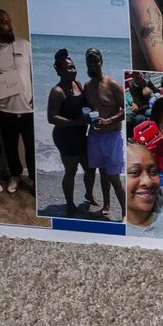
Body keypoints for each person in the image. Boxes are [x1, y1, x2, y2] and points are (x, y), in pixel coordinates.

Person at [0, 6, 35, 191]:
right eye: (4, 23)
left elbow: (35, 73)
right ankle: (15, 176)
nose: (9, 26)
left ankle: (34, 180)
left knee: (31, 147)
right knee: (10, 147)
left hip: (28, 108)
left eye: (9, 21)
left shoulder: (25, 45)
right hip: (5, 109)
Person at [45, 48, 96, 216]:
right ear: (59, 71)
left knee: (90, 168)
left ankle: (89, 195)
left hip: (81, 134)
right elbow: (52, 118)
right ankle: (70, 205)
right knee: (71, 172)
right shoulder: (57, 91)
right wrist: (75, 122)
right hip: (65, 137)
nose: (73, 70)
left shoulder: (78, 84)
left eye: (74, 67)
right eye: (69, 68)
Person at [81, 46, 127, 216]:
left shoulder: (112, 84)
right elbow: (89, 109)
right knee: (102, 172)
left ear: (101, 62)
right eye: (89, 61)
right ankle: (106, 206)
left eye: (96, 61)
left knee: (114, 176)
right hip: (95, 135)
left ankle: (125, 213)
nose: (93, 64)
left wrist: (109, 120)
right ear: (86, 63)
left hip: (112, 137)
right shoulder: (87, 86)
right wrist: (88, 119)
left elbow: (127, 109)